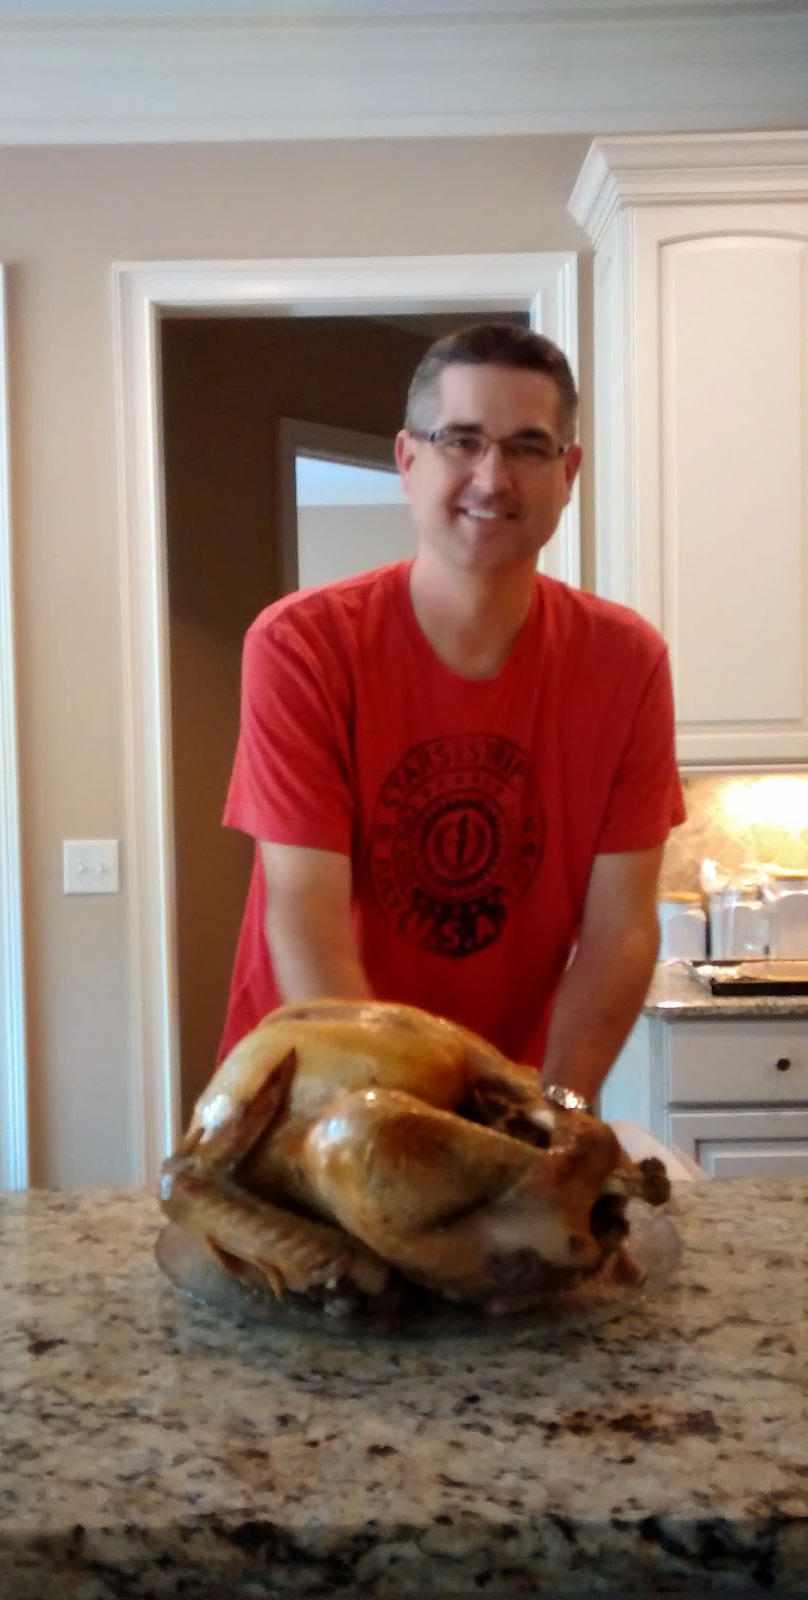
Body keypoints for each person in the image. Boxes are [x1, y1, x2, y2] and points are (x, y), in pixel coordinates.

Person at [217, 321, 685, 1109]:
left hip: (506, 1099)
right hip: (311, 1091)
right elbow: (306, 913)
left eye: (527, 447)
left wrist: (553, 1114)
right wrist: (398, 1116)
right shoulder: (301, 644)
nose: (491, 477)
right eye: (460, 440)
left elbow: (619, 931)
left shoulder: (625, 661)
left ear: (567, 473)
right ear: (408, 460)